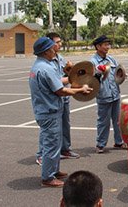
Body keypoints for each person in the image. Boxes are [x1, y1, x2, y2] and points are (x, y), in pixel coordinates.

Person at [29, 37, 92, 187]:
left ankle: (54, 170)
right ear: (46, 51)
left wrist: (73, 76)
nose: (55, 50)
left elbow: (58, 81)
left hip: (44, 109)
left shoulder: (39, 66)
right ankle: (48, 177)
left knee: (55, 143)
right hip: (49, 111)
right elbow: (61, 91)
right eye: (52, 48)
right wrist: (81, 89)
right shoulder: (46, 68)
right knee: (51, 144)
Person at [36, 32, 79, 166]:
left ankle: (65, 149)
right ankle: (42, 155)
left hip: (62, 99)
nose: (60, 44)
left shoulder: (59, 58)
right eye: (57, 42)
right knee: (50, 131)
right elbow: (56, 82)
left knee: (64, 125)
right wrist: (74, 81)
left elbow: (64, 73)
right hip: (55, 98)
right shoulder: (45, 65)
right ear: (48, 45)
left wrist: (70, 69)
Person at [91, 35, 126, 153]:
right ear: (98, 46)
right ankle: (100, 144)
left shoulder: (111, 60)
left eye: (108, 44)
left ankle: (119, 142)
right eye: (105, 44)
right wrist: (98, 72)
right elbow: (91, 80)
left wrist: (122, 75)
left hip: (115, 94)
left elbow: (117, 73)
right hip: (103, 95)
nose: (108, 47)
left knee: (118, 120)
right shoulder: (92, 62)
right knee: (103, 121)